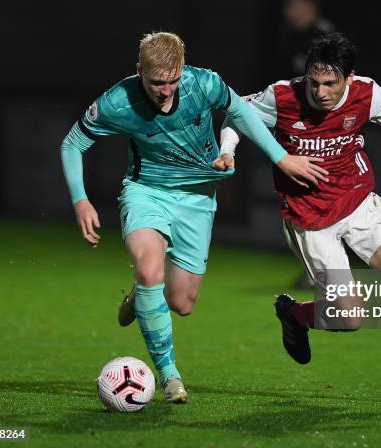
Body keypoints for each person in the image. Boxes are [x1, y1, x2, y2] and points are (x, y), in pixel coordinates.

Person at [60, 32, 328, 404]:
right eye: (156, 82)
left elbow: (241, 112)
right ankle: (170, 376)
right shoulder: (118, 102)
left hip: (197, 198)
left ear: (182, 70)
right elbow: (73, 143)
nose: (165, 91)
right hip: (146, 191)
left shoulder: (205, 84)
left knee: (182, 302)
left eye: (172, 81)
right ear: (139, 71)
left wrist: (278, 157)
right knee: (150, 267)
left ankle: (142, 296)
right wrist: (81, 201)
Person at [219, 33, 381, 406]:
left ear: (349, 77)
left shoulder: (368, 94)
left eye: (330, 83)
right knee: (350, 318)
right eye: (314, 82)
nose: (321, 92)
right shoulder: (281, 97)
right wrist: (227, 151)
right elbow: (234, 114)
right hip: (311, 218)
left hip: (358, 201)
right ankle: (294, 315)